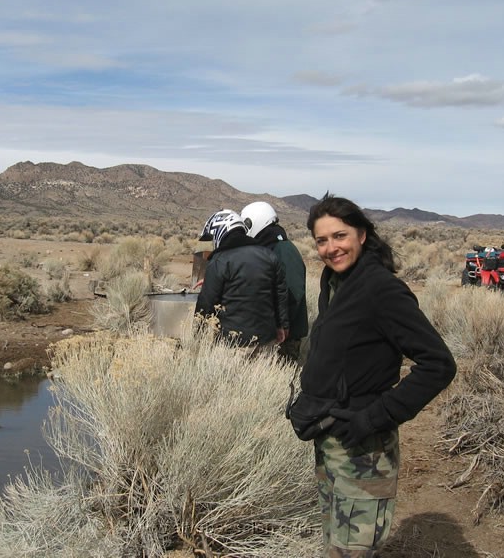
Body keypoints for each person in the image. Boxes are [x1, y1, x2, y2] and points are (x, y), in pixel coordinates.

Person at [300, 193, 456, 556]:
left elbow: (438, 364)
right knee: (335, 545)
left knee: (353, 550)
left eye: (340, 236)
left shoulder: (380, 289)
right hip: (332, 441)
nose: (331, 248)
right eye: (322, 240)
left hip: (364, 450)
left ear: (362, 235)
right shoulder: (335, 283)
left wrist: (374, 417)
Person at [195, 209, 290, 348]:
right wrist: (282, 325)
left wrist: (197, 333)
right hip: (266, 339)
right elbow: (280, 295)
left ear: (219, 231)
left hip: (232, 343)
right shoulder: (269, 255)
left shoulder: (220, 261)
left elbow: (206, 302)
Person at [240, 201, 308, 363]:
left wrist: (282, 324)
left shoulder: (283, 250)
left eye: (247, 224)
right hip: (271, 331)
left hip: (285, 336)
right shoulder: (269, 248)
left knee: (281, 373)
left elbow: (294, 293)